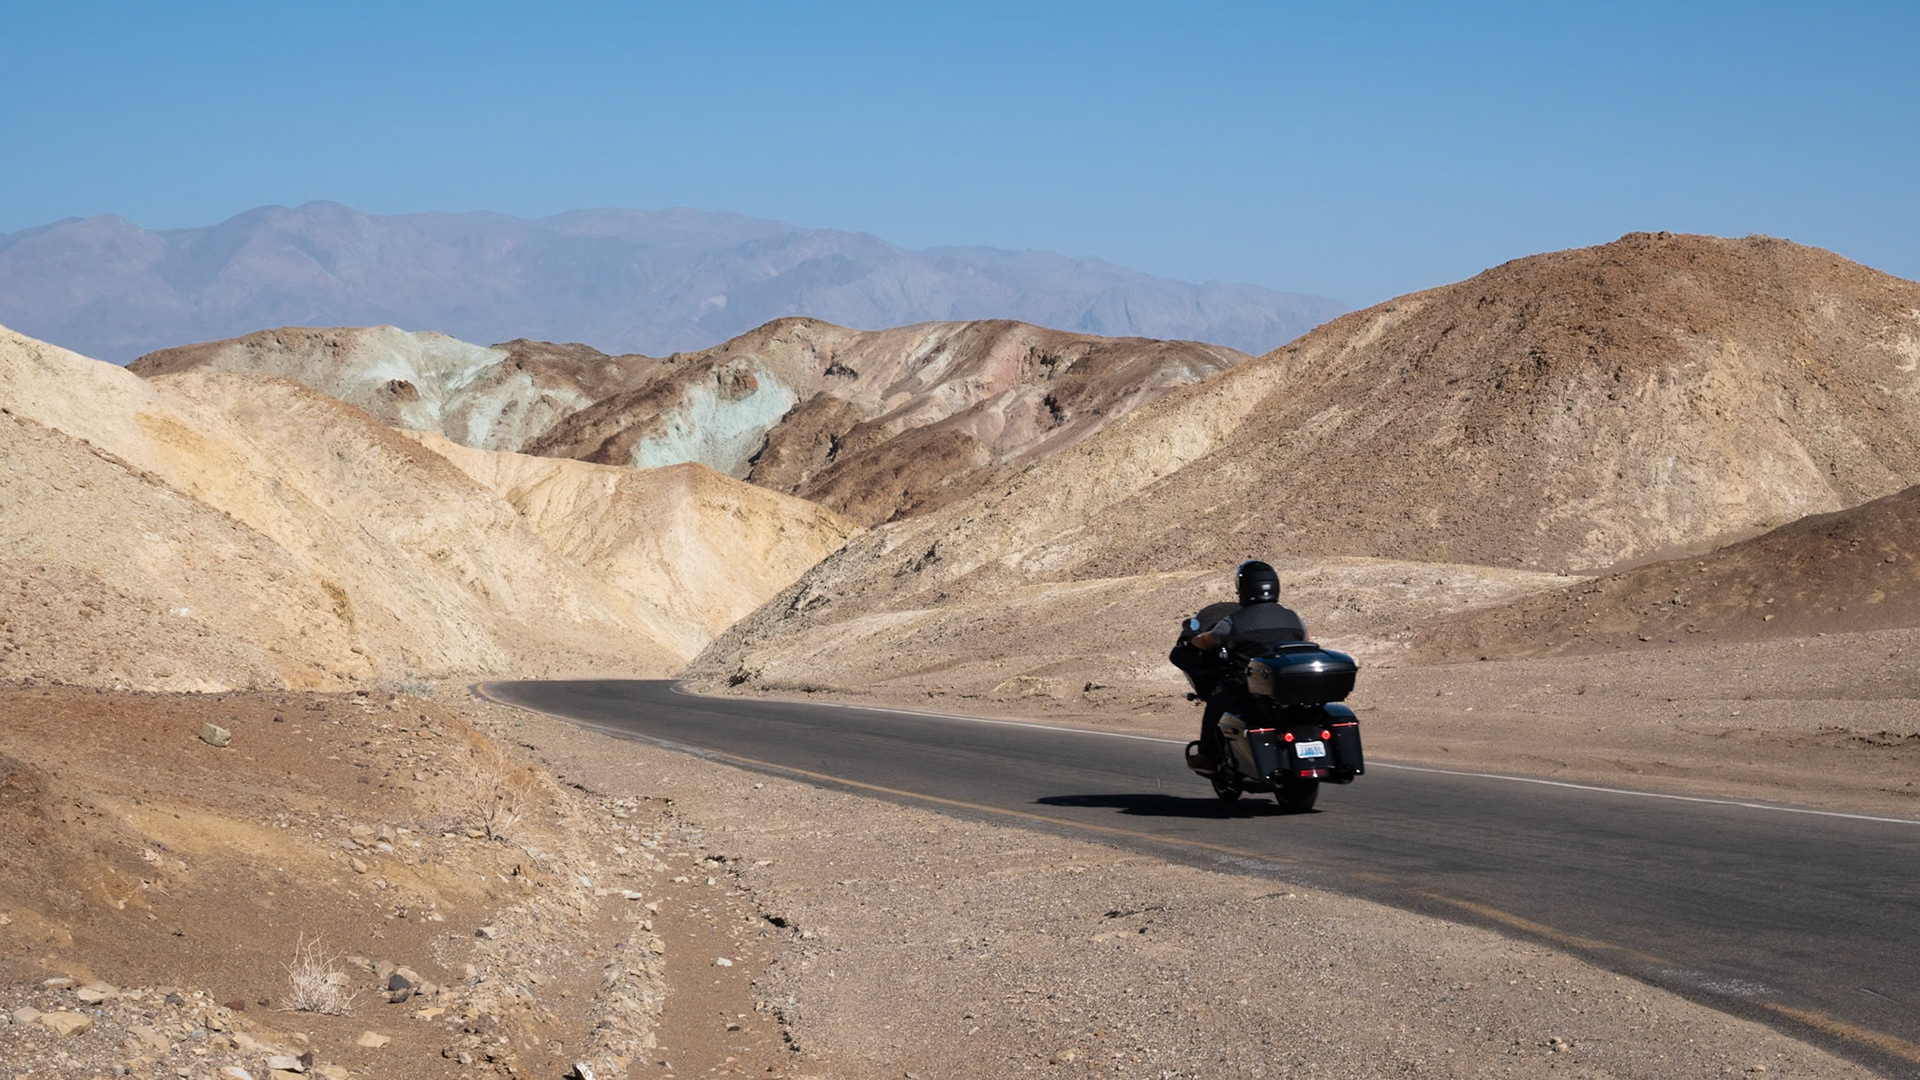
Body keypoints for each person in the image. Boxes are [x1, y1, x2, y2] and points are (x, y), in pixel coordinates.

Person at [1179, 560, 1307, 771]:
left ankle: (1206, 756)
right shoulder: (1293, 618)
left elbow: (1207, 641)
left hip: (1248, 688)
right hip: (1289, 688)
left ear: (1243, 589)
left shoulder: (1235, 621)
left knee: (1215, 705)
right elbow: (1304, 641)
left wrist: (1191, 636)